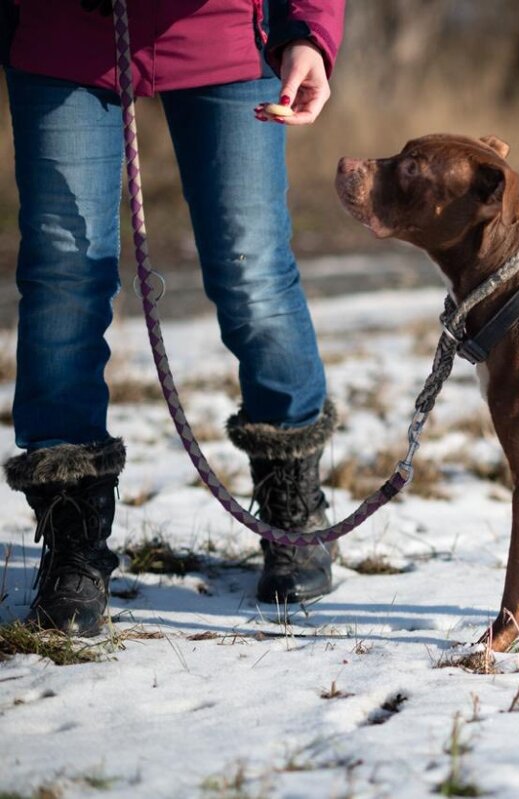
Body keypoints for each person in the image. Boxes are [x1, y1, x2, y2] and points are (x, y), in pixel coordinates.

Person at [1, 0, 346, 635]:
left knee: (252, 269)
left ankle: (291, 501)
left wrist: (307, 31)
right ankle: (72, 539)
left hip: (225, 31)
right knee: (64, 278)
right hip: (63, 37)